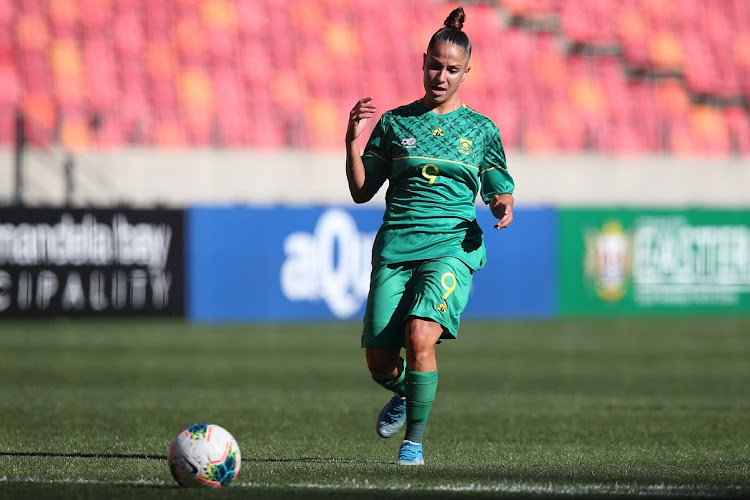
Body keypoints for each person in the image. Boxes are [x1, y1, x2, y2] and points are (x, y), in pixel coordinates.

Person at [344, 6, 515, 465]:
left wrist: (502, 205)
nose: (441, 75)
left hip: (451, 249)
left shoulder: (482, 131)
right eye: (435, 65)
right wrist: (351, 143)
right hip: (397, 249)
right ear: (423, 62)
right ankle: (405, 391)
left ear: (466, 73)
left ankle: (413, 445)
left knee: (420, 336)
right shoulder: (395, 124)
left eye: (452, 69)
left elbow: (500, 188)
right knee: (380, 363)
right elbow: (362, 191)